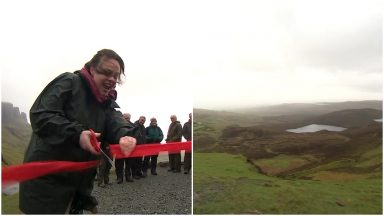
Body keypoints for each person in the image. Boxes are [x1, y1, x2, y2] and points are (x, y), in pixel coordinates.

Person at [19, 49, 137, 214]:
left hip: (77, 189)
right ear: (92, 69)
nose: (111, 79)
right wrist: (77, 134)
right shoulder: (70, 82)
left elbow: (115, 120)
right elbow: (41, 114)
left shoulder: (106, 102)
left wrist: (125, 135)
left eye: (115, 76)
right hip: (46, 186)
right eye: (107, 73)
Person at [115, 113, 136, 183]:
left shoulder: (133, 126)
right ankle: (119, 178)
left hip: (130, 148)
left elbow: (136, 135)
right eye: (125, 117)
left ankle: (128, 176)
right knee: (119, 164)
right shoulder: (117, 125)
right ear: (122, 117)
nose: (127, 119)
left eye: (128, 117)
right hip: (119, 148)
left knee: (129, 163)